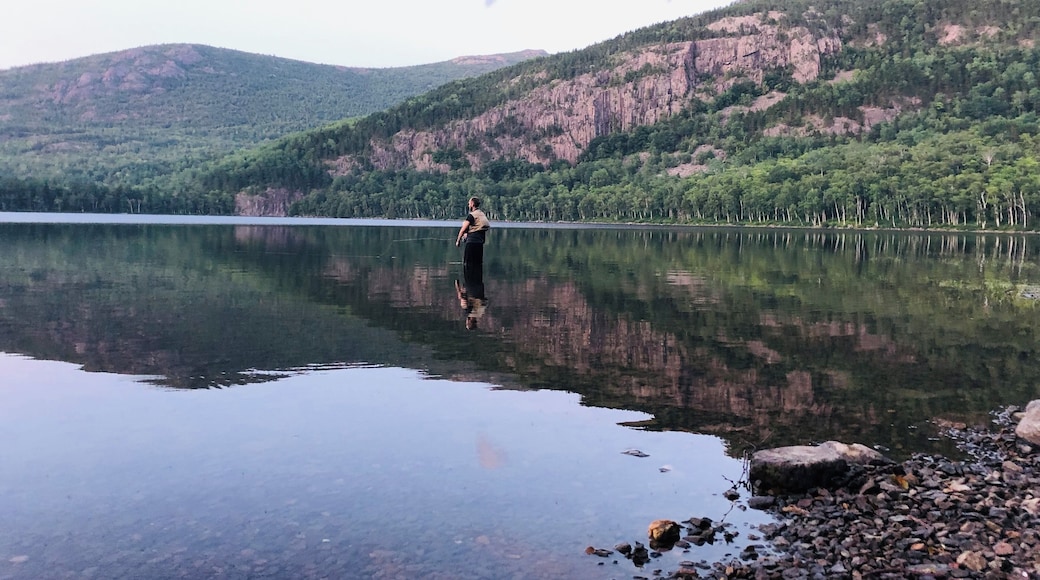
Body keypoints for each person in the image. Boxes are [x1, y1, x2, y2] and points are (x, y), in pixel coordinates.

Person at [455, 197, 490, 268]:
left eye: (469, 203)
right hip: (480, 243)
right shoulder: (481, 214)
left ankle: (469, 278)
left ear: (472, 204)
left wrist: (458, 241)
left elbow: (463, 229)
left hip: (471, 243)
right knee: (478, 265)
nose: (468, 205)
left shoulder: (472, 215)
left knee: (468, 265)